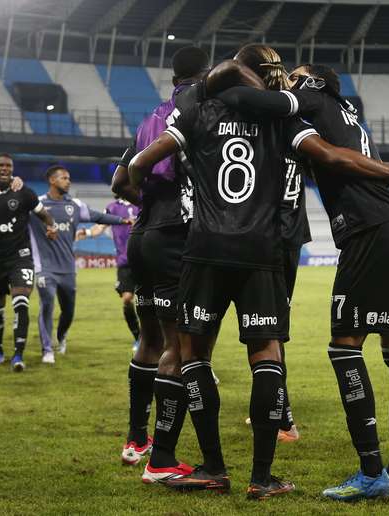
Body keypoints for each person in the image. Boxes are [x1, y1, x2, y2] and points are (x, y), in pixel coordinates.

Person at [129, 44, 389, 499]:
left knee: (195, 355)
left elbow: (140, 163)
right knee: (267, 356)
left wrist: (145, 199)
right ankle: (262, 477)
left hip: (203, 250)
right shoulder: (284, 120)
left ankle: (214, 467)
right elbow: (331, 156)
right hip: (262, 253)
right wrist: (385, 169)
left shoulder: (199, 110)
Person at [212, 56, 389, 500]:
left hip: (369, 229)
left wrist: (223, 84)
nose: (285, 83)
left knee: (344, 347)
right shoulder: (348, 114)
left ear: (310, 81)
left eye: (292, 77)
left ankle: (371, 473)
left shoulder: (309, 97)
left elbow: (254, 100)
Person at [110, 46, 213, 483]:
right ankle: (162, 460)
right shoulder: (203, 111)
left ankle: (137, 440)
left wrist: (149, 201)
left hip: (143, 236)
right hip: (177, 236)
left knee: (150, 340)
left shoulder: (150, 117)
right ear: (206, 73)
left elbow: (120, 181)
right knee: (182, 347)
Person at [29, 164, 130, 364]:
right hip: (45, 267)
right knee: (47, 303)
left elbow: (98, 217)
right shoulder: (36, 205)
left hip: (68, 268)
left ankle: (61, 336)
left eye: (68, 178)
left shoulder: (74, 205)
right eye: (64, 178)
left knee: (69, 310)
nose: (68, 181)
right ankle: (47, 349)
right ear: (52, 180)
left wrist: (123, 220)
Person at [0, 153, 57, 372]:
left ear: (12, 169)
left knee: (21, 303)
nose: (4, 169)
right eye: (0, 165)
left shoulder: (24, 192)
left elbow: (44, 214)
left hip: (21, 258)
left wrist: (52, 226)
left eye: (8, 166)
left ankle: (18, 355)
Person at [80, 196, 141, 352]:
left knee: (150, 301)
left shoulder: (142, 202)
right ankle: (138, 337)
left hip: (145, 259)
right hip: (125, 262)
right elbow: (100, 227)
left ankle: (155, 337)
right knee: (127, 299)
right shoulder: (112, 207)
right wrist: (86, 232)